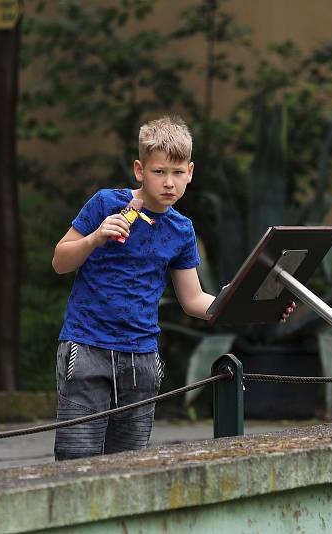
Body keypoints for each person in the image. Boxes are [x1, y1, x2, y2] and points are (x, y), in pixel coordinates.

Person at [51, 116, 293, 460]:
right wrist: (95, 237)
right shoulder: (106, 204)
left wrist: (255, 307)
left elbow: (194, 300)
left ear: (190, 173)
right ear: (139, 170)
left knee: (130, 469)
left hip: (142, 358)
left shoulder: (181, 229)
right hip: (88, 349)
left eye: (177, 173)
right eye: (159, 172)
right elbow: (60, 262)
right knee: (75, 465)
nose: (169, 183)